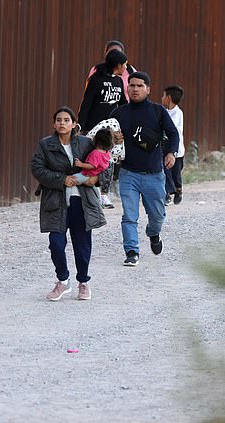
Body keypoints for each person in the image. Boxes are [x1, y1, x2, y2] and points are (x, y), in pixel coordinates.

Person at [31, 107, 107, 302]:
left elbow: (106, 163)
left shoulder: (86, 143)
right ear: (54, 124)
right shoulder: (46, 145)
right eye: (59, 120)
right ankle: (63, 280)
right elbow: (37, 168)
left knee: (82, 244)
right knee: (56, 243)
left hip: (82, 201)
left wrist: (95, 179)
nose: (62, 123)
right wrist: (61, 179)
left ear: (74, 124)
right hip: (56, 201)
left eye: (66, 120)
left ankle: (83, 282)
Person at [110, 72, 179, 266]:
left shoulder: (158, 111)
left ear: (148, 89)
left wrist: (171, 153)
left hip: (154, 174)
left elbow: (173, 134)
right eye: (131, 85)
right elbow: (104, 138)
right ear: (127, 88)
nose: (135, 89)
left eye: (140, 86)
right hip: (128, 173)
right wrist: (112, 139)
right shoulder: (118, 113)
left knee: (157, 216)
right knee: (129, 215)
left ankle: (153, 233)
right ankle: (132, 251)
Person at [86, 40, 138, 208]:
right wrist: (80, 125)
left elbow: (123, 104)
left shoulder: (121, 78)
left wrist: (128, 120)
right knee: (94, 158)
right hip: (95, 125)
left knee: (108, 160)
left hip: (111, 126)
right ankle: (91, 191)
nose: (125, 67)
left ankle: (104, 193)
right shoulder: (96, 76)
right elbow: (87, 102)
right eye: (123, 64)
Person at [71, 128, 114, 205]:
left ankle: (67, 200)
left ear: (96, 139)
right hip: (96, 176)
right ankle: (100, 200)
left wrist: (81, 164)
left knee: (70, 180)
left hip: (87, 174)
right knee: (95, 188)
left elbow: (92, 165)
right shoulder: (106, 153)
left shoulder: (95, 153)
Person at [162, 85, 185, 205]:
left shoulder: (177, 113)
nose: (162, 98)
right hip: (165, 149)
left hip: (177, 151)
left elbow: (171, 128)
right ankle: (168, 194)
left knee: (176, 174)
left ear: (168, 98)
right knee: (166, 172)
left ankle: (178, 190)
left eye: (163, 96)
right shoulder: (163, 111)